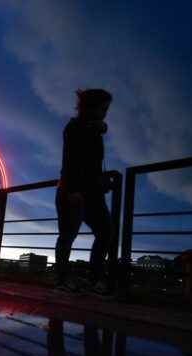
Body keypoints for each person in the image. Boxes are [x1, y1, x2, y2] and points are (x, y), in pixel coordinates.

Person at [54, 89, 114, 297]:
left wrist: (100, 181)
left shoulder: (93, 129)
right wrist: (72, 190)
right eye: (103, 108)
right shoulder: (74, 129)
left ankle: (95, 281)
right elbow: (70, 162)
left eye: (107, 109)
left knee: (105, 231)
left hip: (92, 193)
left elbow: (91, 164)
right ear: (91, 107)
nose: (106, 113)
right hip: (74, 192)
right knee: (68, 236)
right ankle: (62, 281)